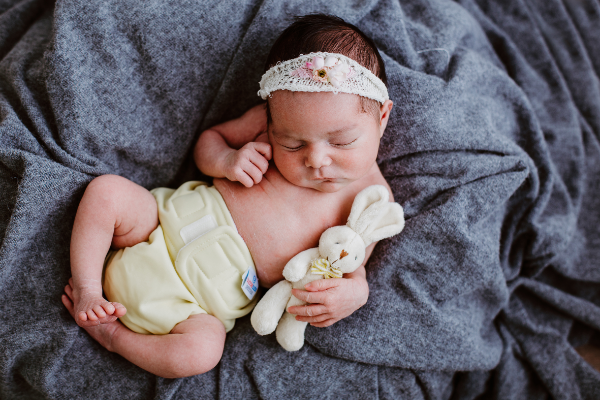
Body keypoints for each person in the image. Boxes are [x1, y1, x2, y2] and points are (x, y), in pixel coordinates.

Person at [61, 14, 394, 378]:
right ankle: (88, 288)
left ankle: (112, 336)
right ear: (271, 121)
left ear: (382, 117)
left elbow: (351, 264)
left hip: (195, 308)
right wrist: (226, 159)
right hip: (158, 225)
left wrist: (354, 294)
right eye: (291, 143)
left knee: (200, 355)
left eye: (341, 141)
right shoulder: (261, 122)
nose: (315, 159)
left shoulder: (373, 201)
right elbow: (209, 142)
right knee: (107, 192)